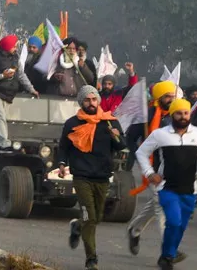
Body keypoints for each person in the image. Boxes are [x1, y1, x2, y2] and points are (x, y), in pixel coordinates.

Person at [58, 86, 126, 270]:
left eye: (94, 99)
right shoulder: (72, 123)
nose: (91, 103)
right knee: (90, 217)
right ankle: (91, 259)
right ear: (81, 102)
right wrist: (62, 164)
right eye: (87, 100)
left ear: (98, 101)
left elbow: (121, 146)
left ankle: (77, 226)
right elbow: (63, 146)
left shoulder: (110, 122)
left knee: (97, 217)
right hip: (82, 177)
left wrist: (116, 137)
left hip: (103, 177)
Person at [135, 98, 197, 270]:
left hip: (190, 189)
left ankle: (167, 254)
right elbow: (141, 152)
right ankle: (167, 257)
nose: (182, 116)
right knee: (173, 222)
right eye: (179, 113)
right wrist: (150, 173)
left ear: (190, 114)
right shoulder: (160, 134)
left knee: (180, 226)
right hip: (167, 188)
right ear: (172, 114)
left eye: (186, 113)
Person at [126, 80, 183, 260]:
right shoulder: (146, 115)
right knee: (162, 206)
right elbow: (130, 138)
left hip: (174, 168)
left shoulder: (177, 115)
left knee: (155, 205)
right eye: (167, 96)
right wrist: (142, 154)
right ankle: (170, 249)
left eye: (173, 96)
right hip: (152, 167)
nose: (170, 99)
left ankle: (134, 230)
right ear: (159, 98)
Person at [0, 35, 39, 162]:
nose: (16, 48)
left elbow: (21, 75)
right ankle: (5, 146)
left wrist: (31, 89)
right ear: (7, 46)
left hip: (7, 95)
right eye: (14, 45)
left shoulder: (15, 58)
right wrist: (2, 76)